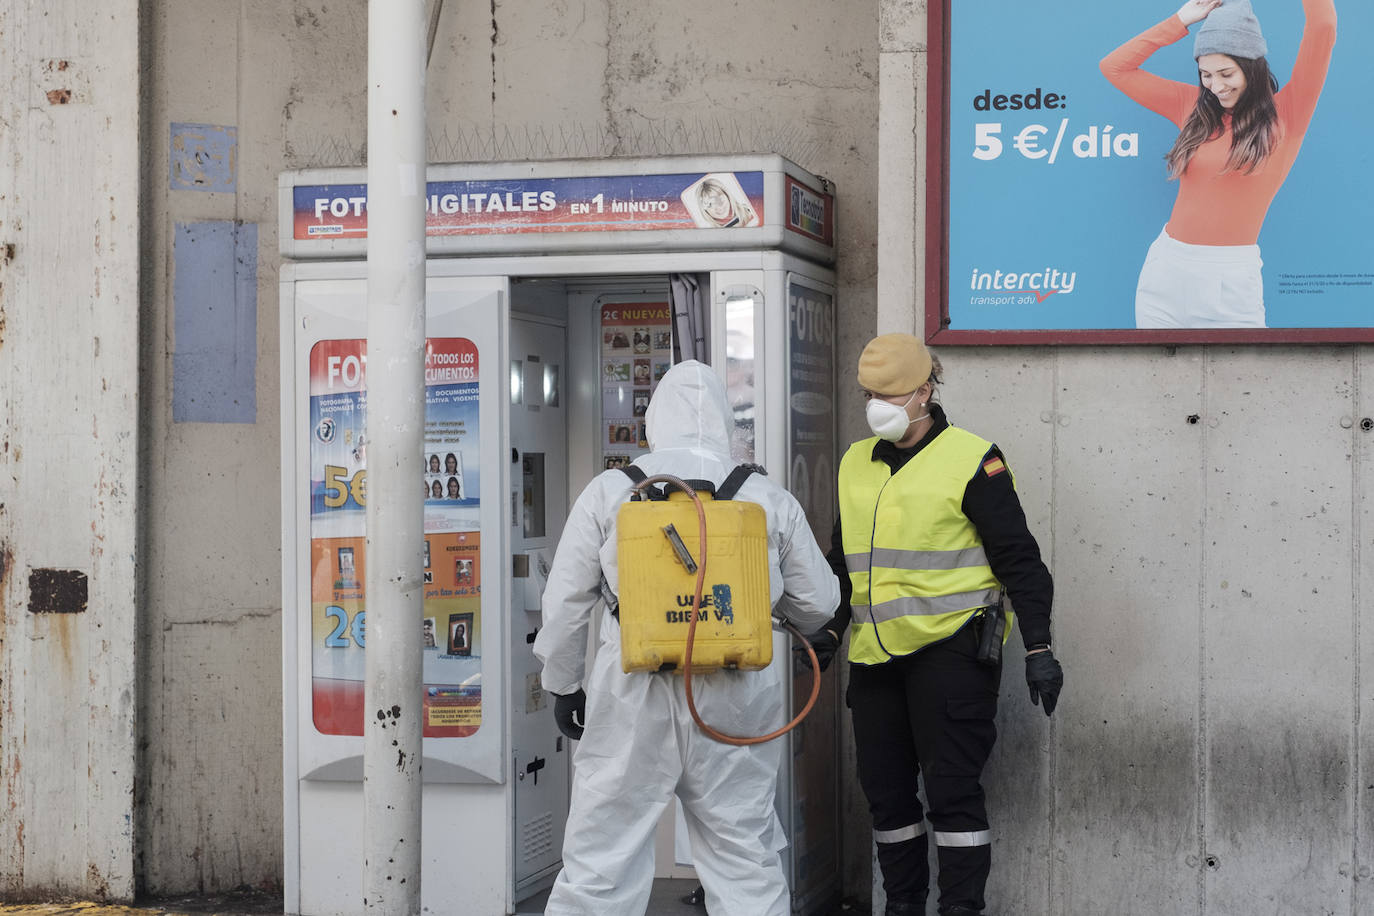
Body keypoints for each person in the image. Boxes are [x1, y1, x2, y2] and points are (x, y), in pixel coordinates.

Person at [534, 360, 839, 916]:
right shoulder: (766, 496)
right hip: (737, 693)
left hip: (633, 691)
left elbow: (565, 607)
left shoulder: (610, 491)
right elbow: (820, 604)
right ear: (725, 423)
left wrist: (563, 685)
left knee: (602, 859)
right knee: (744, 853)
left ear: (654, 422)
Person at [800, 334, 1063, 916]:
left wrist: (1039, 647)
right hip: (874, 662)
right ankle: (902, 907)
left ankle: (961, 909)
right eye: (870, 393)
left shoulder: (973, 459)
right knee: (888, 801)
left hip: (952, 655)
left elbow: (1020, 560)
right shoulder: (854, 463)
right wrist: (831, 631)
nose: (879, 405)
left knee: (953, 798)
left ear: (925, 390)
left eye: (891, 394)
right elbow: (844, 567)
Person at [1101, 0, 1336, 329]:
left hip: (1231, 281)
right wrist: (1182, 19)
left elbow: (1323, 28)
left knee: (1244, 380)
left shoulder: (1289, 112)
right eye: (1206, 74)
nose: (1216, 85)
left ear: (1252, 68)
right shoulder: (1191, 107)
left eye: (1227, 73)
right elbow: (1114, 67)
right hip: (1167, 271)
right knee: (1158, 378)